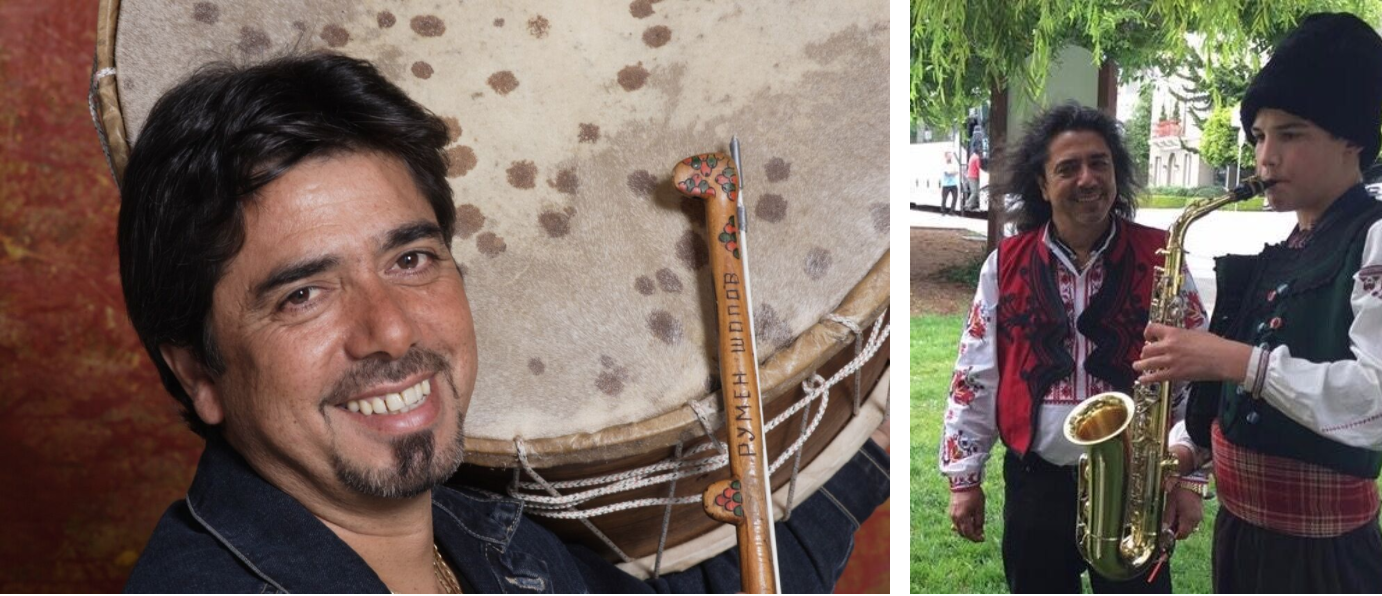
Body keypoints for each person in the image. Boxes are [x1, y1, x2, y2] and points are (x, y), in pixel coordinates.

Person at [117, 52, 889, 593]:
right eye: (303, 296)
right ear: (198, 373)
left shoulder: (480, 536)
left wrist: (869, 451)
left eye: (411, 260)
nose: (389, 330)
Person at [1135, 13, 1382, 593]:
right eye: (1258, 136)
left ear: (1353, 138)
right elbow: (1244, 403)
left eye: (1290, 134)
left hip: (1321, 560)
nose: (1265, 158)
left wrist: (1233, 360)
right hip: (1244, 539)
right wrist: (1184, 451)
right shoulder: (1284, 249)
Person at [940, 102, 1209, 594]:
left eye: (1099, 163)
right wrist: (964, 477)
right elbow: (974, 374)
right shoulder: (1005, 264)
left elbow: (1195, 373)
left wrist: (1190, 478)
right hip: (1036, 487)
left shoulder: (1161, 257)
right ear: (1041, 184)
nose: (1088, 179)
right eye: (1068, 168)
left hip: (1138, 490)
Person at [941, 151, 961, 215]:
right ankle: (943, 211)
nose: (950, 157)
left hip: (953, 184)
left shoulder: (953, 164)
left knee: (955, 197)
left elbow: (957, 172)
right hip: (946, 185)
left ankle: (951, 211)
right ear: (946, 156)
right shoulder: (943, 164)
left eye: (951, 156)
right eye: (949, 156)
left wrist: (952, 173)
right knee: (944, 199)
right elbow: (947, 174)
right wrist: (953, 173)